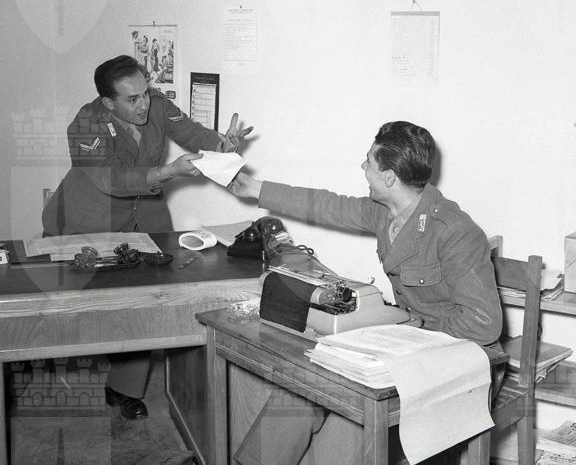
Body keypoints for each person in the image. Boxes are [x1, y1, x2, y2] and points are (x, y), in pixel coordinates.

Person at [227, 120, 502, 464]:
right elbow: (326, 204)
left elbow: (483, 324)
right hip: (405, 347)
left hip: (460, 357)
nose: (362, 167)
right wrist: (255, 188)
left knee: (351, 420)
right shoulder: (385, 211)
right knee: (304, 383)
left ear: (390, 178)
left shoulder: (455, 231)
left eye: (369, 161)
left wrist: (408, 329)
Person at [42, 54, 252, 420]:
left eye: (145, 92)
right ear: (108, 102)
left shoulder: (155, 103)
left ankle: (123, 389)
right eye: (132, 99)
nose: (144, 104)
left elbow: (192, 133)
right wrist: (168, 172)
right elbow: (109, 179)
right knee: (75, 307)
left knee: (144, 301)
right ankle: (48, 359)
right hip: (87, 218)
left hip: (143, 217)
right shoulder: (86, 124)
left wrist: (222, 144)